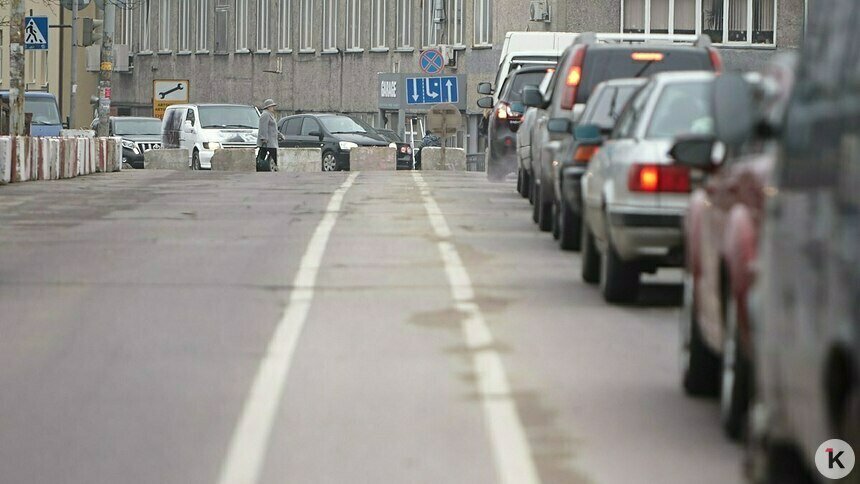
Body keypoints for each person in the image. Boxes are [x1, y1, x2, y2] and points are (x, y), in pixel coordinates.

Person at [257, 99, 279, 171]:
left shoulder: (270, 115)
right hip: (268, 141)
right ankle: (260, 167)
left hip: (271, 141)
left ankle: (259, 168)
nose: (273, 108)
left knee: (262, 156)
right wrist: (264, 138)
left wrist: (280, 135)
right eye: (272, 106)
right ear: (268, 107)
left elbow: (273, 128)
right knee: (275, 155)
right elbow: (263, 127)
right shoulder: (265, 115)